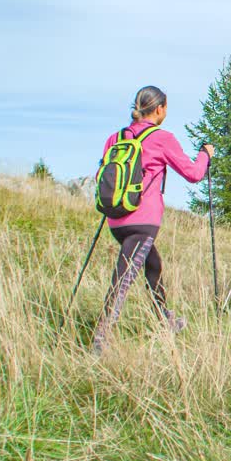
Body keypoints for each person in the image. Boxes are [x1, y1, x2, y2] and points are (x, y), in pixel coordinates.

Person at [92, 86, 212, 351]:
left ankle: (165, 319)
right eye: (166, 108)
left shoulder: (115, 137)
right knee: (123, 278)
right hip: (143, 220)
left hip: (115, 217)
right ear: (160, 109)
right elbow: (193, 173)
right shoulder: (162, 138)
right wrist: (206, 155)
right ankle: (102, 336)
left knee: (153, 266)